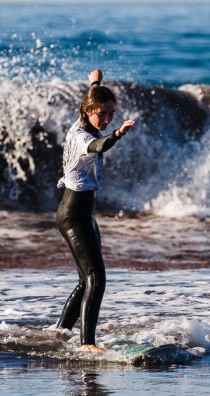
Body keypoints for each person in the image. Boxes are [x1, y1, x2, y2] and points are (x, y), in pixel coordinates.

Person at [56, 69, 136, 352]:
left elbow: (93, 102)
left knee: (85, 279)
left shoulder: (87, 117)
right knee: (96, 280)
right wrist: (117, 133)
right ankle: (87, 343)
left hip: (85, 213)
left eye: (110, 115)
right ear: (88, 111)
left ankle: (61, 333)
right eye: (101, 114)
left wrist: (95, 83)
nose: (106, 119)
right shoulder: (81, 137)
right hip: (73, 214)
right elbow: (99, 145)